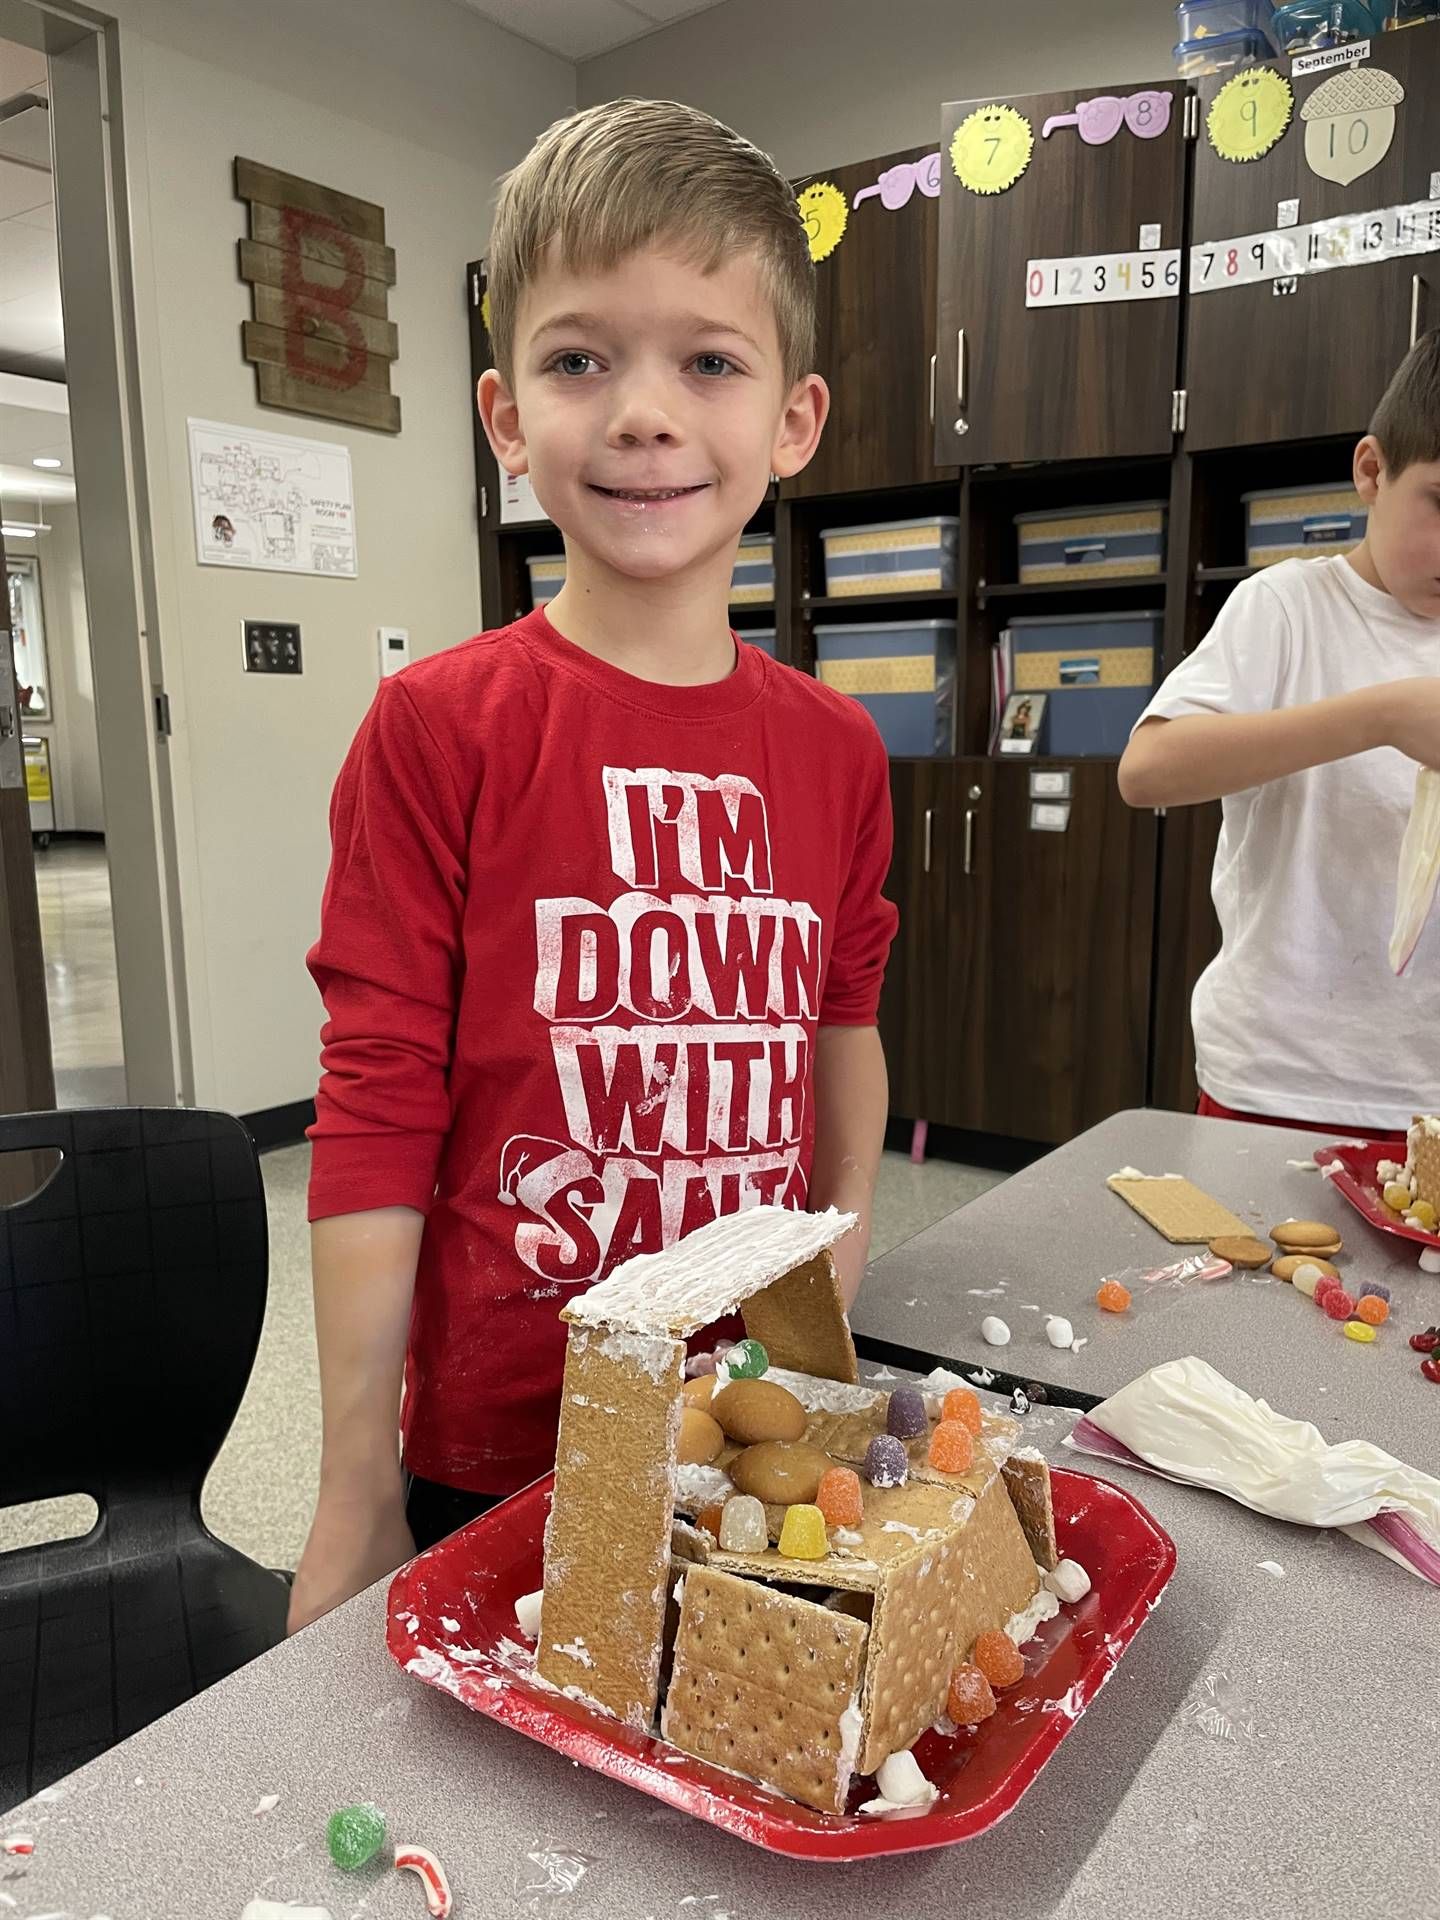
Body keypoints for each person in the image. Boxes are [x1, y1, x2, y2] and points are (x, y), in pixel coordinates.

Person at [288, 99, 899, 1631]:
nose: (642, 411)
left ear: (793, 421)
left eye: (709, 359)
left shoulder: (836, 753)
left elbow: (844, 1035)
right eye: (579, 360)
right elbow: (373, 1106)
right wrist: (354, 1484)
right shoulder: (440, 728)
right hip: (506, 1438)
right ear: (505, 418)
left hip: (739, 1412)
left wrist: (837, 1288)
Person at [1119, 330, 1440, 1140]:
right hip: (1279, 1083)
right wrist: (1384, 714)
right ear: (1373, 471)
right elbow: (1149, 769)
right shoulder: (1289, 608)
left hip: (1427, 1093)